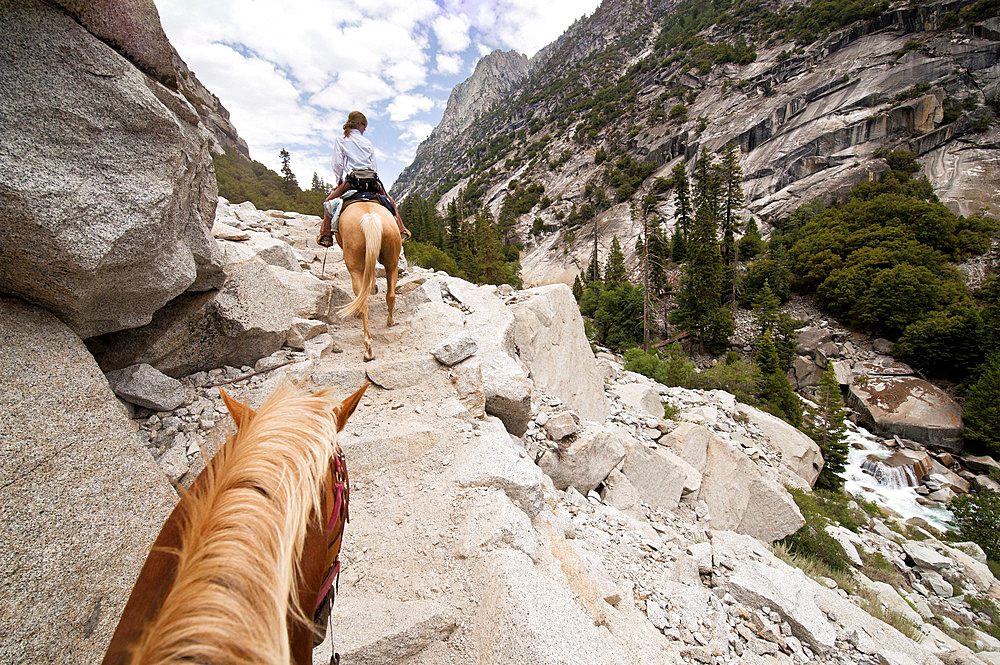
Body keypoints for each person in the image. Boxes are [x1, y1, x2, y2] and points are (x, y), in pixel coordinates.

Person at [317, 111, 410, 246]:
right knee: (390, 202)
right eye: (364, 126)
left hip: (353, 181)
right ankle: (401, 230)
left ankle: (326, 235)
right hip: (371, 181)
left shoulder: (341, 140)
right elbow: (374, 165)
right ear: (359, 124)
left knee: (328, 201)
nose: (364, 129)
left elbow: (337, 163)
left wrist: (339, 181)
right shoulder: (367, 142)